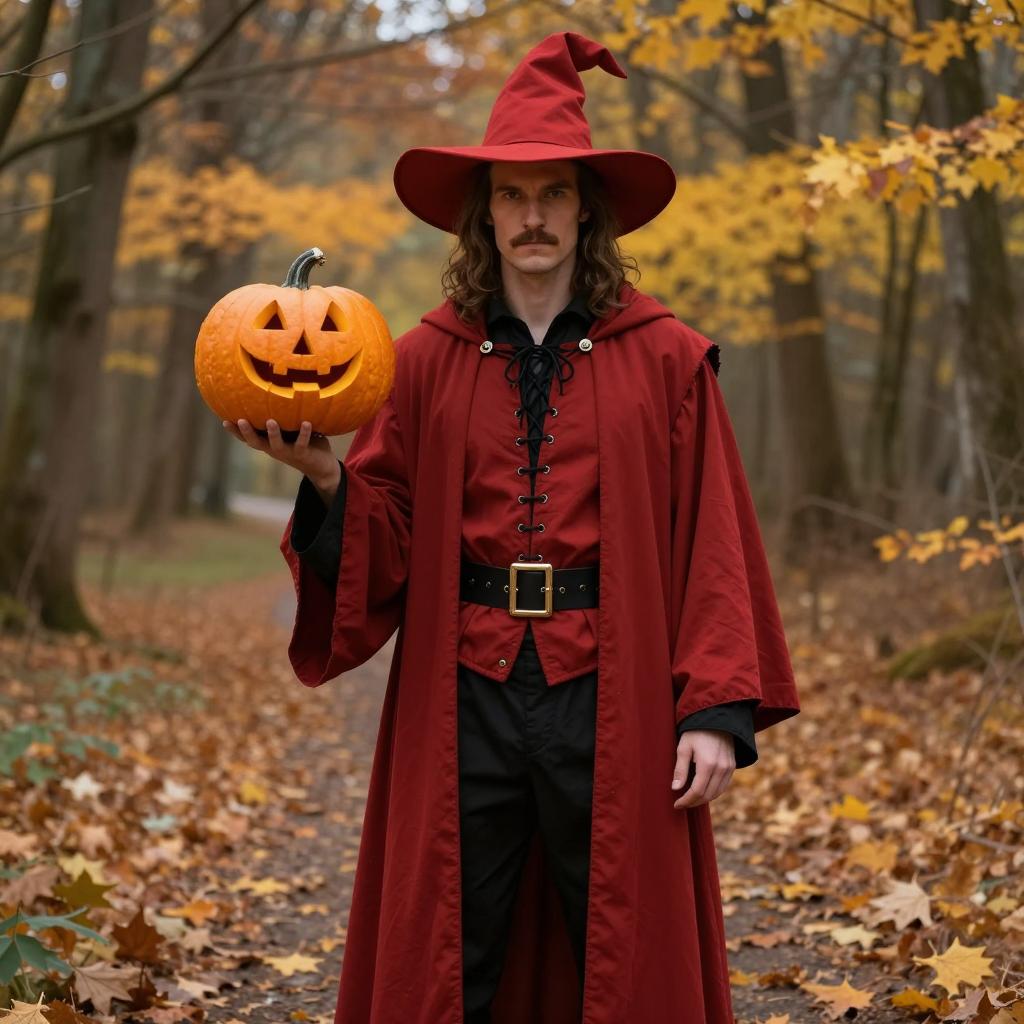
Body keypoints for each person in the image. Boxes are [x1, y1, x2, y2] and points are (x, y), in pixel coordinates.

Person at [225, 30, 800, 1024]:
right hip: (466, 688)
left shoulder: (665, 358)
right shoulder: (421, 361)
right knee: (455, 950)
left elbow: (711, 541)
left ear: (587, 210)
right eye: (512, 196)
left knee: (621, 943)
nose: (532, 217)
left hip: (611, 687)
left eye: (553, 194)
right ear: (483, 216)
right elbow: (386, 537)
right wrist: (324, 475)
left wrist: (713, 709)